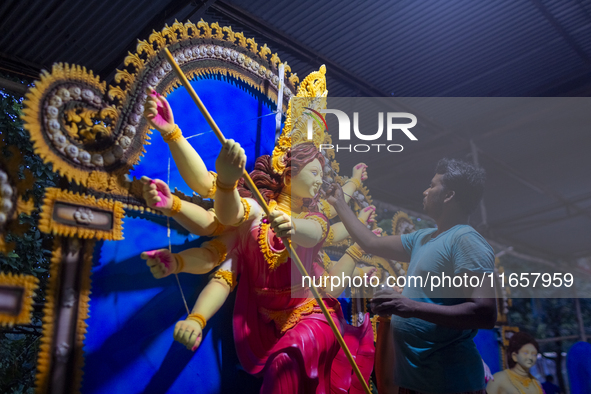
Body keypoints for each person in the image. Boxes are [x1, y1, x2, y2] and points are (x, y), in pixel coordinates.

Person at [140, 66, 378, 393]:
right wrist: (196, 319)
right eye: (314, 170)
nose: (321, 179)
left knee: (288, 363)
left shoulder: (315, 220)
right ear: (286, 167)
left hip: (313, 316)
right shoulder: (255, 213)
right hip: (267, 327)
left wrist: (295, 225)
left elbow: (314, 232)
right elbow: (223, 268)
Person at [327, 158, 497, 394]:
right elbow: (371, 242)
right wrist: (339, 204)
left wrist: (409, 306)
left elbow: (485, 313)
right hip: (415, 382)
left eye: (432, 185)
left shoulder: (466, 240)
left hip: (451, 384)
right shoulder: (423, 238)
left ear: (448, 196)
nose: (425, 191)